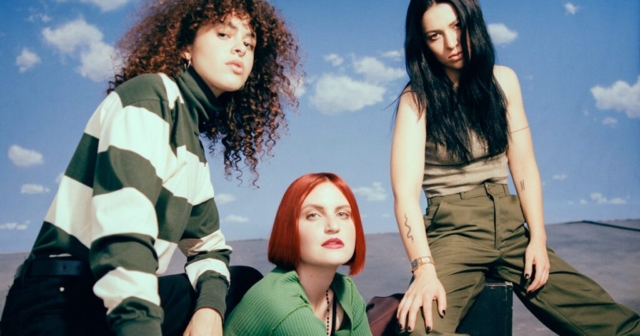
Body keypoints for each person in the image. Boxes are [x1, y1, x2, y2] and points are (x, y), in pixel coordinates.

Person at [0, 0, 301, 335]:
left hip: (106, 299)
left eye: (249, 43)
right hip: (57, 302)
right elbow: (124, 238)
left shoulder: (191, 149)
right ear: (186, 46)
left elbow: (210, 249)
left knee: (242, 284)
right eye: (223, 33)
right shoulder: (150, 98)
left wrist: (210, 309)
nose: (239, 49)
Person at [390, 0, 640, 335]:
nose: (451, 43)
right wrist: (423, 269)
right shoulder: (416, 99)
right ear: (422, 44)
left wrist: (537, 237)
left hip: (510, 224)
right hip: (453, 230)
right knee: (420, 327)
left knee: (607, 321)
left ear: (472, 23)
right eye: (435, 35)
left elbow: (523, 166)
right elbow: (405, 195)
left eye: (457, 27)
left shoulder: (503, 81)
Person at [224, 173, 373, 335]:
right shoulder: (283, 305)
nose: (333, 226)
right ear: (289, 229)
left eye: (343, 214)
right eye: (313, 215)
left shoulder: (346, 292)